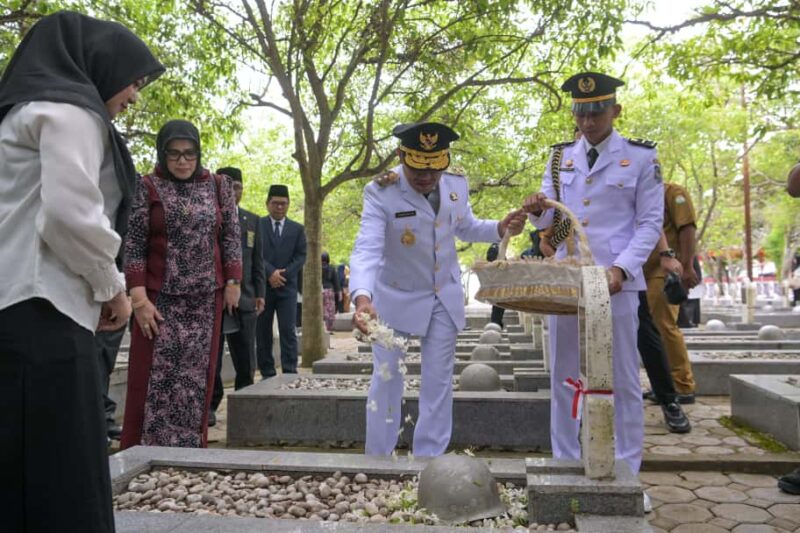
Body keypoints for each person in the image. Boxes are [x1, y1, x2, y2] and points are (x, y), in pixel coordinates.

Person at [0, 11, 164, 532]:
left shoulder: (21, 112)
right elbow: (70, 215)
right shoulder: (72, 112)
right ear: (99, 64)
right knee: (63, 473)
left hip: (12, 307)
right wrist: (111, 287)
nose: (134, 96)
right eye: (132, 81)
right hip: (45, 308)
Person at [351, 121, 526, 457]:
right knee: (387, 379)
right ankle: (379, 457)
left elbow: (468, 227)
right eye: (417, 169)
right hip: (393, 300)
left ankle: (429, 459)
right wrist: (362, 297)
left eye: (434, 170)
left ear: (444, 161)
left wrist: (501, 227)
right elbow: (367, 248)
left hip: (442, 297)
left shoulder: (456, 184)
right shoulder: (381, 191)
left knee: (438, 381)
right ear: (402, 157)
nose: (426, 178)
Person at [524, 73, 663, 482]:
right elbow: (552, 217)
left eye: (597, 111)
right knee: (564, 374)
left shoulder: (640, 158)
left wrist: (621, 268)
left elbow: (651, 222)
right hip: (567, 281)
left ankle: (626, 472)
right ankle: (566, 461)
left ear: (615, 110)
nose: (587, 121)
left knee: (621, 378)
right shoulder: (558, 157)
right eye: (580, 112)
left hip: (616, 282)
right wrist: (535, 209)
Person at [121, 120, 242, 449]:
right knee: (153, 379)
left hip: (205, 300)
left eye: (189, 153)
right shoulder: (146, 187)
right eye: (173, 154)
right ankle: (145, 450)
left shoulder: (218, 186)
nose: (182, 161)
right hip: (159, 301)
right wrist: (139, 299)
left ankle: (189, 450)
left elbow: (231, 236)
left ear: (198, 153)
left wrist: (233, 280)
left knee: (196, 379)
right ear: (162, 154)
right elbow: (133, 245)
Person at [209, 166, 266, 427]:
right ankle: (211, 404)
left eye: (238, 187)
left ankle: (244, 406)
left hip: (246, 299)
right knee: (213, 356)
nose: (234, 192)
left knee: (246, 357)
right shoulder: (207, 217)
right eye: (229, 187)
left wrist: (260, 294)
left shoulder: (253, 221)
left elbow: (258, 261)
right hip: (214, 299)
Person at [641, 182, 699, 404]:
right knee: (649, 332)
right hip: (640, 270)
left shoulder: (673, 192)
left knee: (664, 325)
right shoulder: (638, 192)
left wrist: (687, 266)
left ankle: (682, 386)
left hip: (664, 270)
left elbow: (687, 228)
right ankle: (662, 383)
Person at [638, 233, 691, 433]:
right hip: (587, 264)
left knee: (645, 332)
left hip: (630, 264)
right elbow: (556, 229)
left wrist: (666, 253)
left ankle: (669, 401)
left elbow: (652, 217)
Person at [256, 185, 307, 377]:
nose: (279, 207)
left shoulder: (297, 229)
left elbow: (301, 256)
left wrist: (283, 274)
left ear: (288, 205)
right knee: (263, 333)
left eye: (283, 204)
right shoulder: (257, 225)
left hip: (287, 288)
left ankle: (289, 371)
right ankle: (267, 372)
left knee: (288, 330)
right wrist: (270, 272)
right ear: (267, 204)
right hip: (263, 288)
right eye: (275, 203)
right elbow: (254, 254)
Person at [485, 243, 506, 328]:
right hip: (498, 280)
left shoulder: (495, 247)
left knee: (498, 305)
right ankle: (496, 323)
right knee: (498, 305)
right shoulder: (496, 248)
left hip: (496, 280)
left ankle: (497, 322)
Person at [321, 252, 341, 331]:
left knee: (322, 308)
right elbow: (336, 281)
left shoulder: (316, 268)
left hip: (320, 291)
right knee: (330, 309)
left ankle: (323, 327)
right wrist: (339, 292)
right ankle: (329, 327)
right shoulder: (332, 268)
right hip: (329, 291)